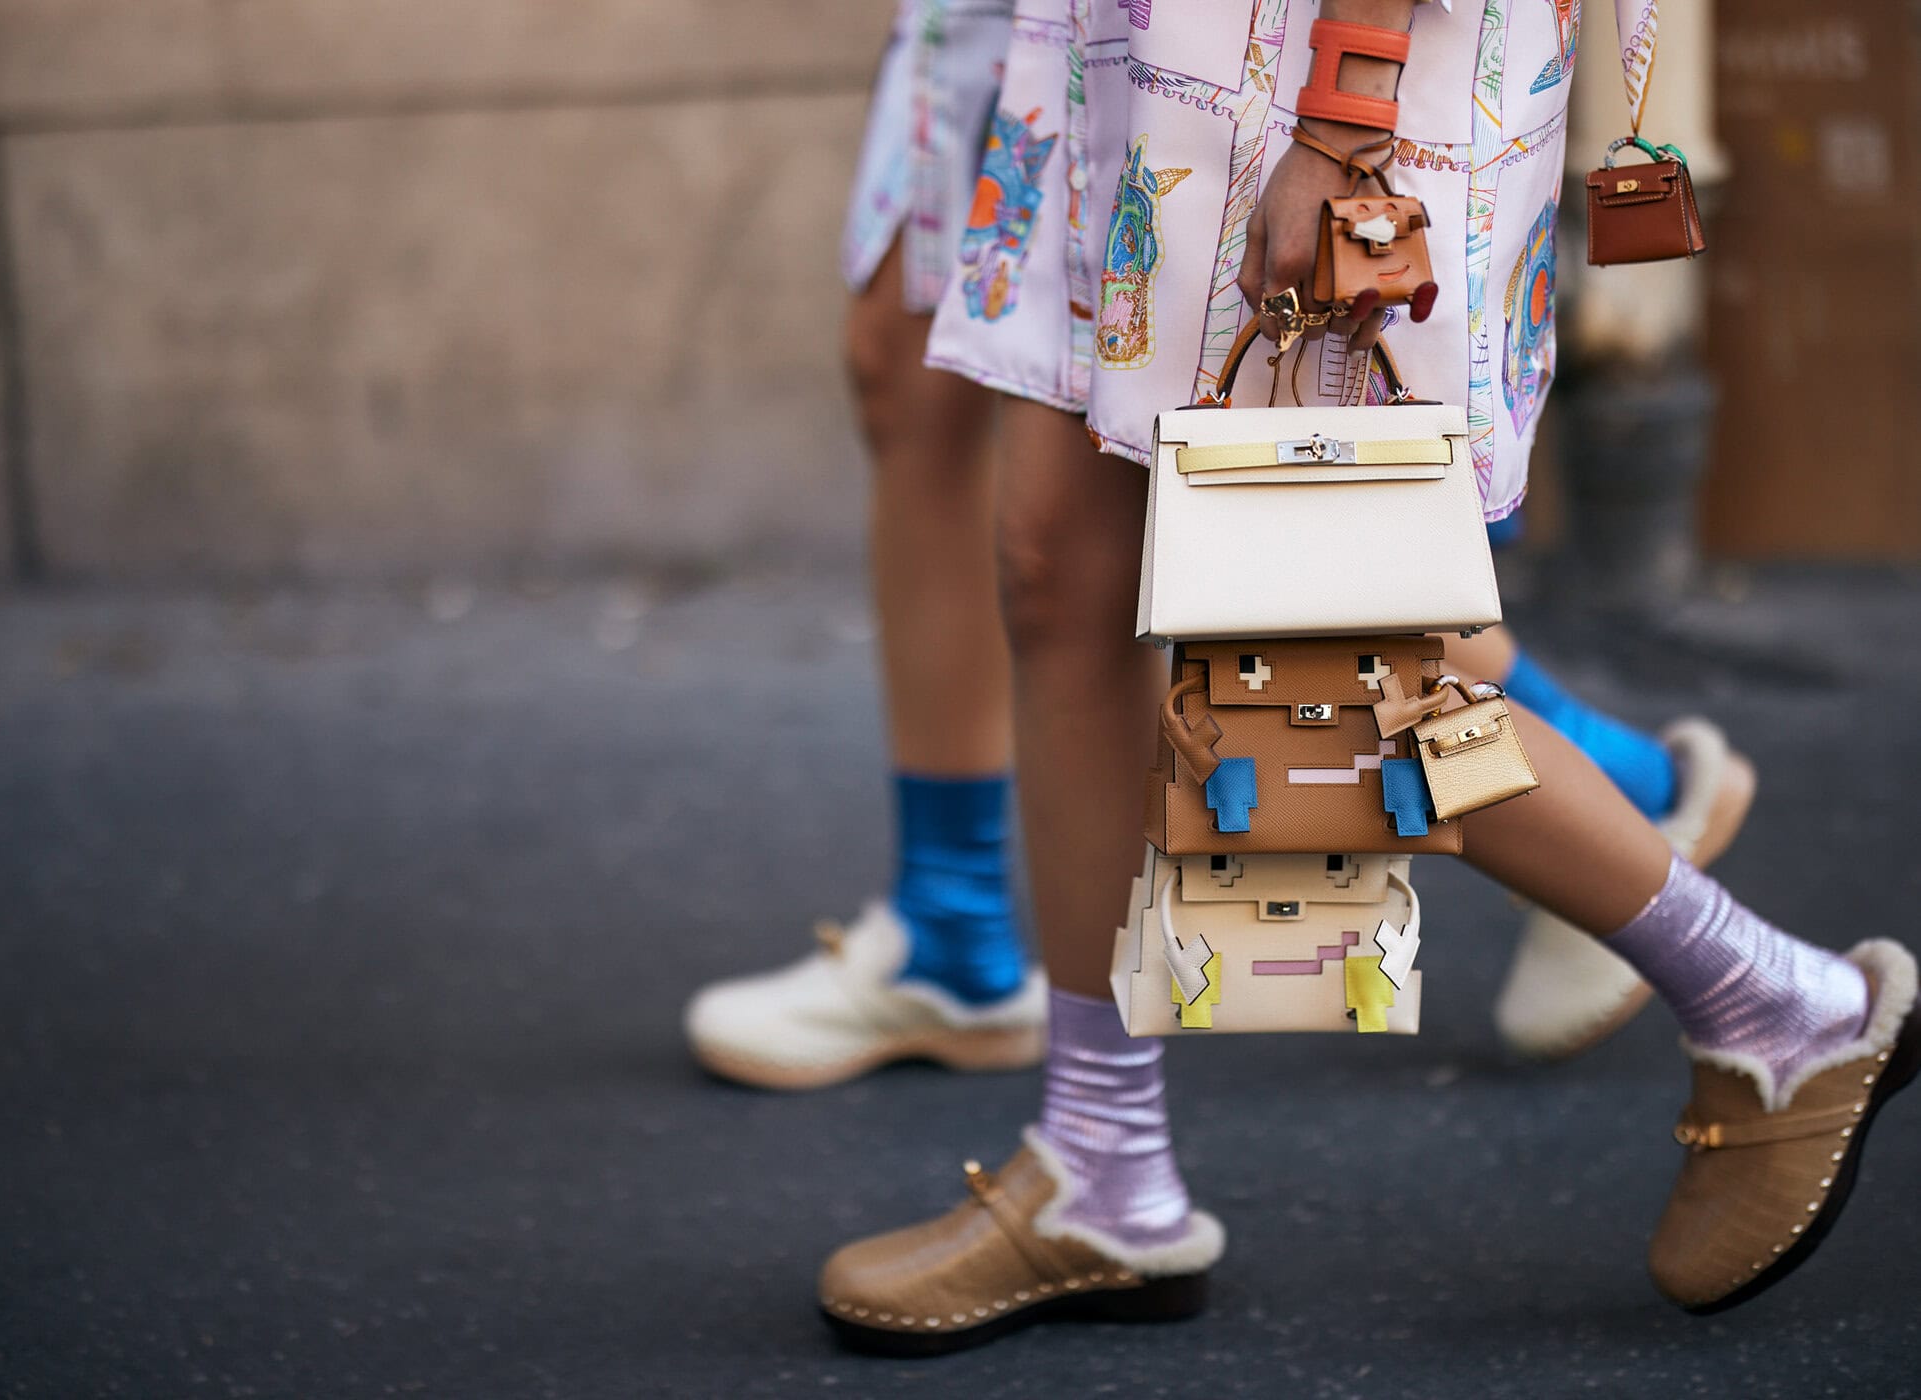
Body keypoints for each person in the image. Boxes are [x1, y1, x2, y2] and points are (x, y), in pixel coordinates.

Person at [811, 0, 1917, 1352]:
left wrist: (1349, 106)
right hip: (1116, 45)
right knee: (1058, 574)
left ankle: (1777, 1006)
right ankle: (1100, 1167)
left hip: (1301, 71)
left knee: (1331, 663)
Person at [685, 0, 1754, 1091]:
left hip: (1266, 66)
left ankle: (1753, 976)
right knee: (1095, 559)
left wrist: (1344, 107)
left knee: (1312, 615)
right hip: (1086, 47)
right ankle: (1070, 1107)